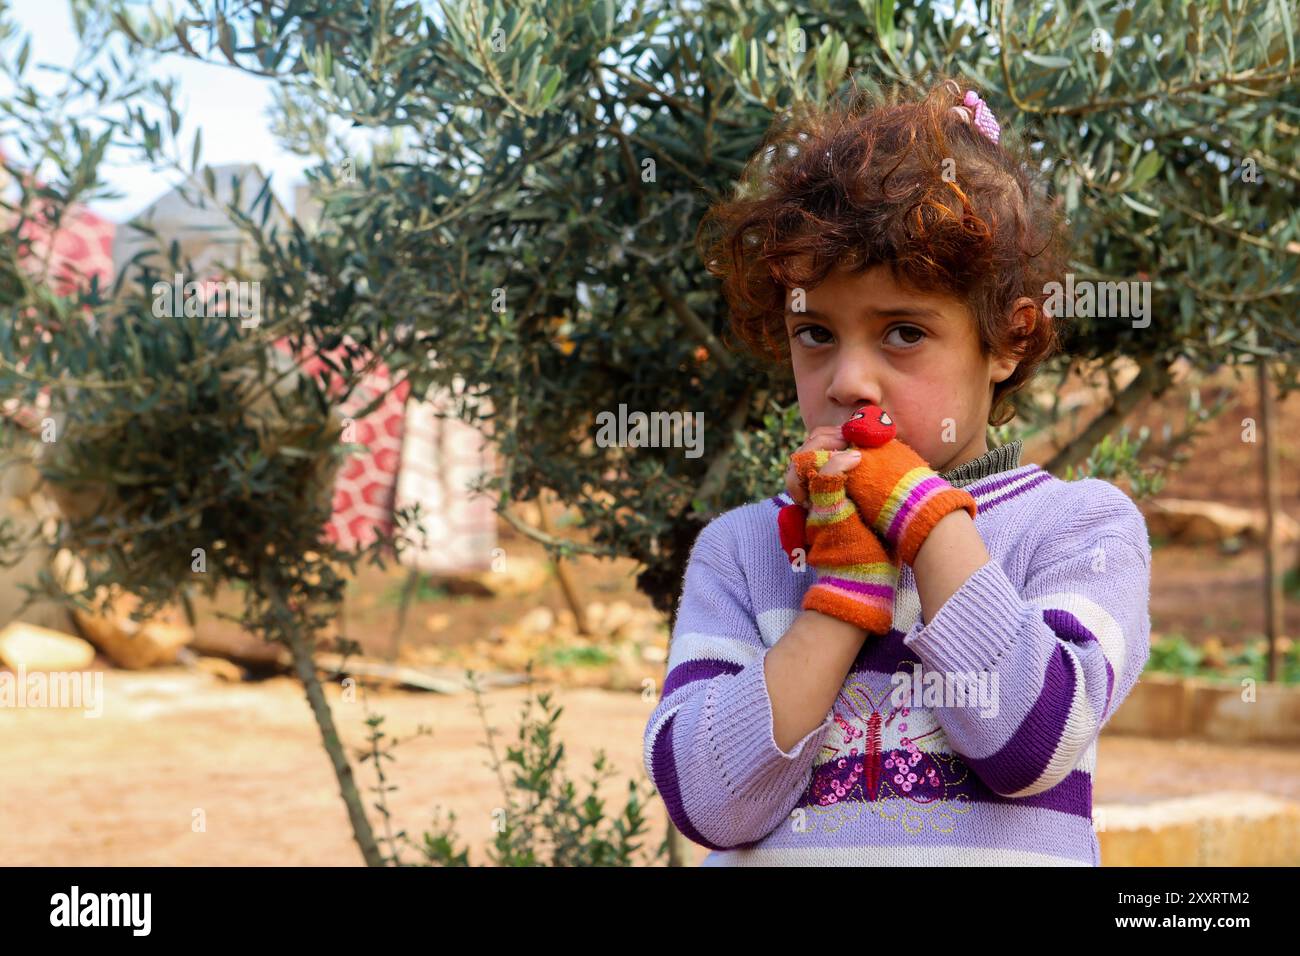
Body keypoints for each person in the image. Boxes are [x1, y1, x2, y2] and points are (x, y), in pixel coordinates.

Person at [642, 75, 1152, 866]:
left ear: (1009, 340)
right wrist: (841, 595)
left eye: (904, 332)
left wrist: (922, 517)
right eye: (814, 332)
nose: (848, 379)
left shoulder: (1078, 530)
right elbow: (707, 805)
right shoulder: (743, 552)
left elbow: (1032, 744)